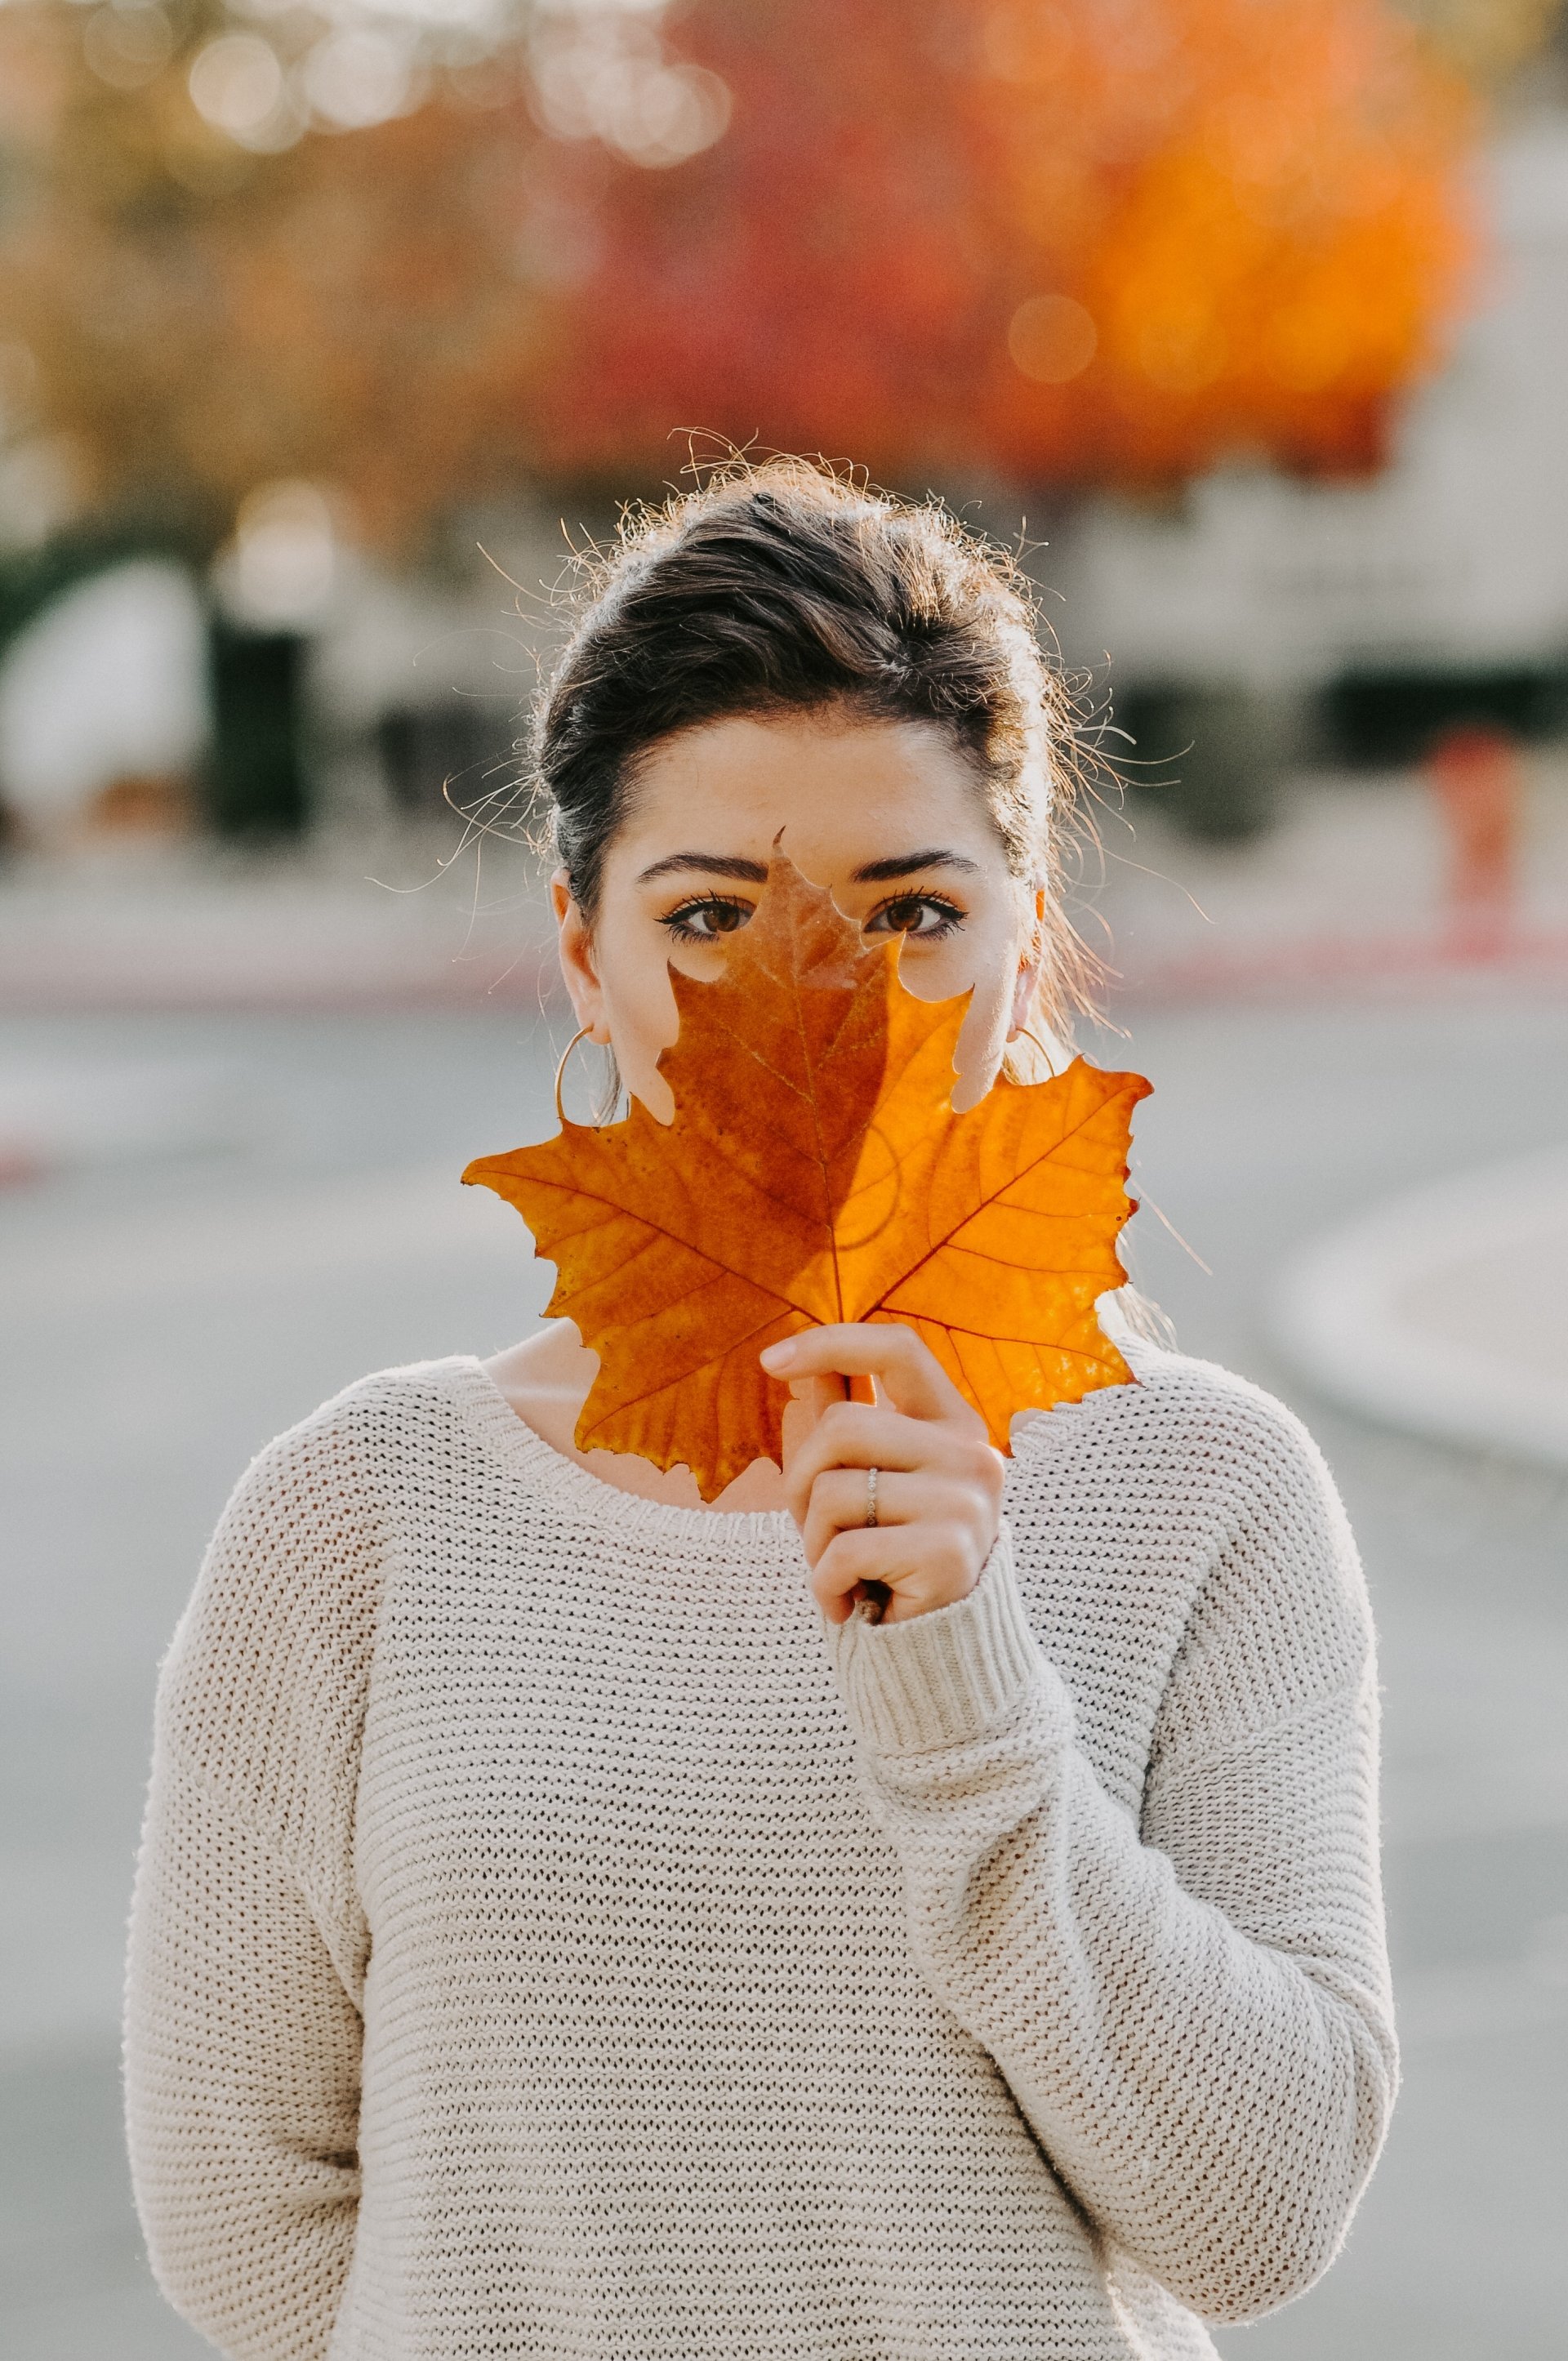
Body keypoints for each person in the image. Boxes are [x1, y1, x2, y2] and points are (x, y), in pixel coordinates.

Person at [125, 464, 1396, 2361]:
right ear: (584, 954)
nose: (829, 1001)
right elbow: (246, 2227)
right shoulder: (363, 1517)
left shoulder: (1204, 1487)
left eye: (914, 912)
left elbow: (1263, 2213)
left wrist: (968, 1692)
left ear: (1026, 932)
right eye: (710, 913)